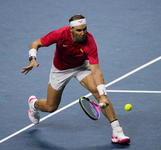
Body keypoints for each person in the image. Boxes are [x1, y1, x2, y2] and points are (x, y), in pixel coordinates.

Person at [21, 14, 130, 144]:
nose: (82, 33)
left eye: (84, 29)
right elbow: (36, 43)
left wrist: (103, 94)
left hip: (81, 67)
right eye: (79, 30)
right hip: (60, 70)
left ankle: (117, 132)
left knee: (98, 92)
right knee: (51, 107)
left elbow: (96, 71)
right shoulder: (60, 34)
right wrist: (32, 59)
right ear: (71, 29)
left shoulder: (90, 41)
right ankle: (33, 105)